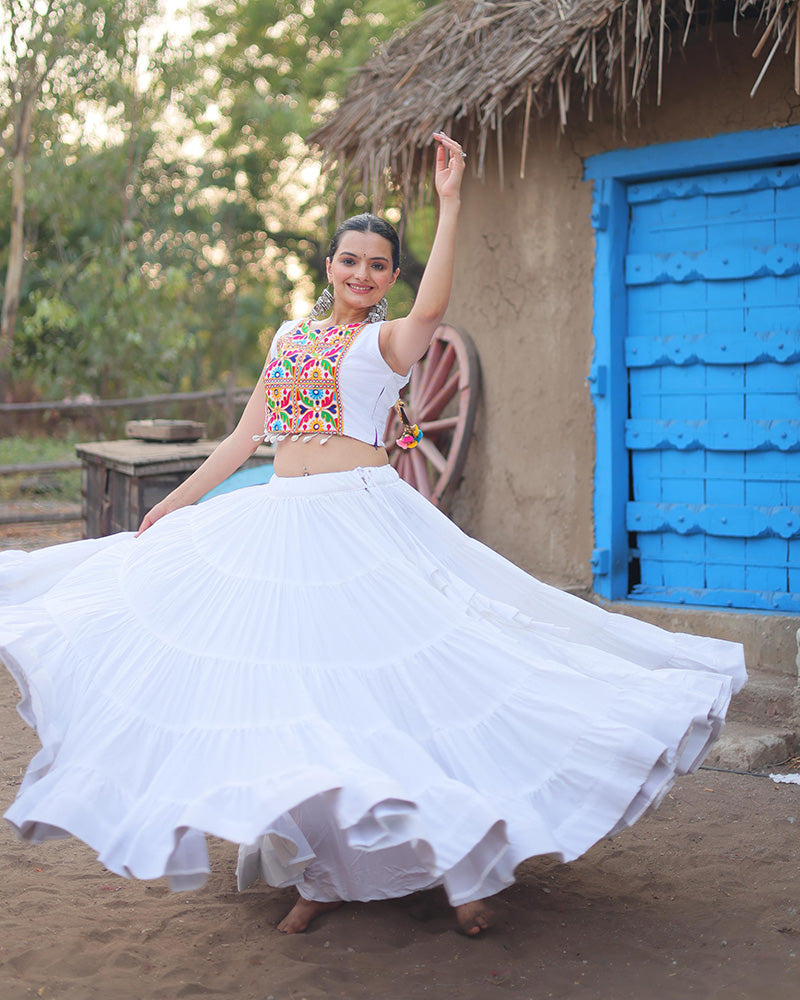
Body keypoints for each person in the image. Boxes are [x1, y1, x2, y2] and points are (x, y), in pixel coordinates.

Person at [0, 132, 745, 938]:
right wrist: (175, 503)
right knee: (306, 698)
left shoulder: (385, 343)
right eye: (349, 259)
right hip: (282, 526)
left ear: (391, 276)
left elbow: (434, 311)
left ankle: (462, 869)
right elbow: (243, 437)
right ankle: (324, 873)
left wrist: (450, 204)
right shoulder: (289, 339)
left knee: (402, 691)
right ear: (329, 266)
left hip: (361, 522)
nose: (362, 273)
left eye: (378, 264)